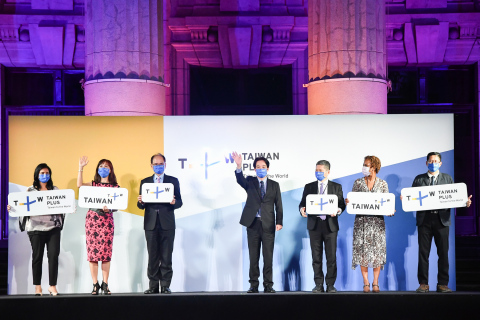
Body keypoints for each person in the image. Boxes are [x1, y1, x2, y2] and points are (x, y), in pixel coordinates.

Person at [410, 152, 472, 293]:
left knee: (443, 253)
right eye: (431, 161)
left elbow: (455, 198)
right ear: (426, 163)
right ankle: (423, 284)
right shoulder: (419, 179)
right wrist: (406, 199)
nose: (433, 163)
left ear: (440, 163)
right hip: (424, 220)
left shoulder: (447, 178)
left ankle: (442, 284)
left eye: (436, 161)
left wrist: (465, 202)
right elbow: (412, 199)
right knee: (423, 254)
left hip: (442, 220)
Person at [7, 163, 64, 296]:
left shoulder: (55, 190)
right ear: (37, 175)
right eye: (42, 173)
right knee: (37, 257)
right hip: (35, 229)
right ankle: (38, 287)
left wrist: (69, 208)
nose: (45, 176)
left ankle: (52, 286)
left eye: (47, 173)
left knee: (53, 256)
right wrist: (13, 208)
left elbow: (62, 205)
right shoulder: (30, 191)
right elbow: (20, 205)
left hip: (53, 228)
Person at [232, 152, 283, 293]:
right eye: (258, 167)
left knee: (268, 257)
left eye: (264, 166)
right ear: (254, 169)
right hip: (253, 224)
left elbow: (279, 205)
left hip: (268, 224)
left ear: (268, 169)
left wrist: (279, 222)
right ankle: (253, 285)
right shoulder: (250, 181)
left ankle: (268, 285)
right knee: (253, 257)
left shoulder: (274, 185)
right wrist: (238, 165)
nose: (261, 168)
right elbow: (239, 179)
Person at [346, 155, 393, 293]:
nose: (364, 167)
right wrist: (349, 202)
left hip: (377, 223)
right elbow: (353, 201)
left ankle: (376, 282)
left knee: (377, 253)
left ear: (374, 167)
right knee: (363, 252)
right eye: (364, 164)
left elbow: (387, 203)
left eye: (367, 165)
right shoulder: (358, 183)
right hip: (361, 223)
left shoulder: (383, 184)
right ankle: (366, 282)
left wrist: (390, 210)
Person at [138, 153, 182, 294]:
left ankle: (165, 285)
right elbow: (141, 206)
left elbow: (180, 202)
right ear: (151, 166)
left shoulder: (173, 181)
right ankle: (153, 286)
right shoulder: (145, 182)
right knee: (153, 256)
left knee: (166, 256)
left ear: (165, 165)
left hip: (167, 223)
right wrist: (141, 202)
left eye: (160, 164)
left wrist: (175, 202)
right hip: (150, 223)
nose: (158, 166)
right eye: (155, 164)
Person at [299, 160, 345, 293]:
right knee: (316, 257)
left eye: (320, 170)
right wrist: (302, 210)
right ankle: (318, 284)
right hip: (314, 225)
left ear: (328, 172)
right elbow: (303, 204)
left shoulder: (337, 187)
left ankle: (330, 285)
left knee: (331, 257)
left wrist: (337, 210)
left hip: (330, 225)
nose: (317, 173)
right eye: (316, 170)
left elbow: (342, 205)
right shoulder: (309, 187)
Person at [78, 156, 118, 295]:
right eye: (101, 166)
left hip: (107, 221)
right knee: (93, 254)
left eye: (106, 166)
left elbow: (118, 205)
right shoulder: (93, 185)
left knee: (106, 254)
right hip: (92, 221)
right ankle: (95, 284)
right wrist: (81, 168)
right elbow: (79, 186)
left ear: (111, 170)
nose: (103, 169)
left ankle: (105, 284)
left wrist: (110, 208)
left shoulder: (115, 187)